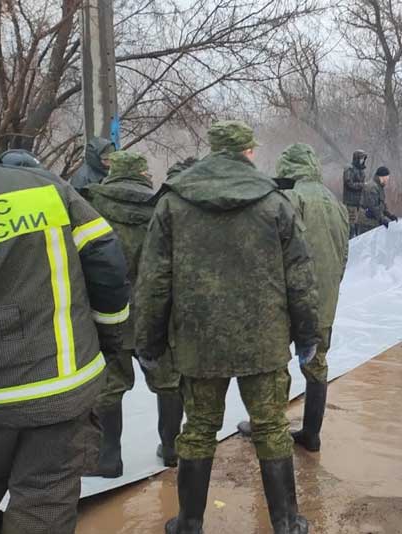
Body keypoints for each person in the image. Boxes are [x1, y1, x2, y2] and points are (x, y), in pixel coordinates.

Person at [0, 128, 130, 534]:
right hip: (63, 384)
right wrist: (110, 339)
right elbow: (106, 261)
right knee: (45, 493)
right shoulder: (44, 187)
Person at [134, 120, 319, 534]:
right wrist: (308, 336)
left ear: (213, 150)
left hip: (199, 343)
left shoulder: (172, 203)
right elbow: (301, 279)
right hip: (264, 340)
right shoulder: (275, 203)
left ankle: (189, 523)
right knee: (271, 427)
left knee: (198, 430)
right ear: (248, 152)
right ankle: (287, 524)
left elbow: (154, 282)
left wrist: (148, 341)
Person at [237, 143, 350, 452]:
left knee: (273, 363)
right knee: (317, 364)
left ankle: (266, 427)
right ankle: (311, 434)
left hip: (289, 300)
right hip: (325, 300)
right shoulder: (335, 203)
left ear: (288, 170)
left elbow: (271, 252)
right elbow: (343, 257)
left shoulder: (289, 199)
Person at [84, 151, 183, 475]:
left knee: (109, 388)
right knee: (168, 382)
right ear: (143, 174)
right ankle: (171, 448)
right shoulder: (162, 207)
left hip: (108, 315)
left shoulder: (89, 206)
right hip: (156, 316)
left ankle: (109, 458)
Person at [359, 166, 398, 234]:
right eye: (386, 178)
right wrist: (382, 219)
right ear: (381, 177)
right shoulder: (372, 187)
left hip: (373, 220)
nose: (387, 181)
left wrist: (390, 215)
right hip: (367, 222)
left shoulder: (379, 187)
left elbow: (381, 204)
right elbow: (374, 207)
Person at [342, 150, 367, 237]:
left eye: (363, 159)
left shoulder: (361, 170)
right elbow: (349, 183)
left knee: (358, 223)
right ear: (356, 158)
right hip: (350, 202)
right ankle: (349, 242)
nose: (362, 160)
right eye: (361, 158)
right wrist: (362, 185)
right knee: (351, 224)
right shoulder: (349, 169)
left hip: (359, 202)